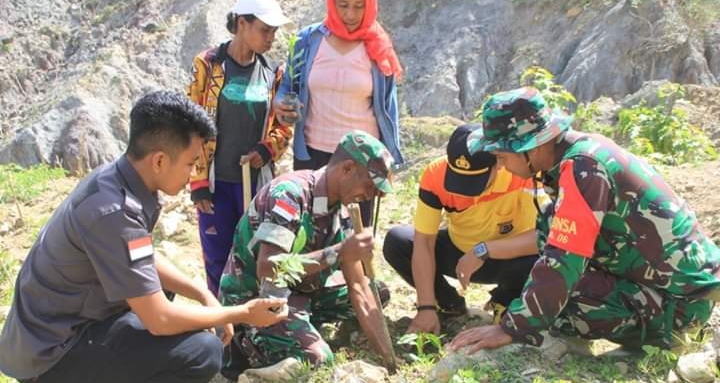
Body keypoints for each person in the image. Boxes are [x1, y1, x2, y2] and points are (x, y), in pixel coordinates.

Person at [0, 91, 288, 383]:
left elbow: (140, 252)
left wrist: (202, 295)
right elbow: (160, 320)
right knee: (201, 351)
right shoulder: (112, 211)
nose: (193, 173)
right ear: (160, 161)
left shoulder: (121, 180)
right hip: (51, 356)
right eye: (190, 163)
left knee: (164, 292)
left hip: (63, 328)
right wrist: (239, 313)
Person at [448, 87, 720, 354]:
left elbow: (564, 261)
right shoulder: (579, 155)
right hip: (671, 291)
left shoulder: (584, 168)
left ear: (531, 148)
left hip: (681, 304)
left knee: (559, 297)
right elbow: (553, 240)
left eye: (502, 156)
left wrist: (511, 329)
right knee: (540, 275)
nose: (503, 165)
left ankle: (675, 337)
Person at [218, 130, 395, 379]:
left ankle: (301, 327)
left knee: (378, 292)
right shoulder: (290, 195)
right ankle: (246, 345)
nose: (369, 196)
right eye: (369, 186)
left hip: (302, 293)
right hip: (259, 298)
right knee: (318, 359)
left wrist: (389, 360)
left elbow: (358, 286)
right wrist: (340, 252)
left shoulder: (342, 209)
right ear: (347, 168)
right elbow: (269, 269)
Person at [273, 0, 403, 227]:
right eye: (343, 5)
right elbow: (288, 85)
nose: (350, 14)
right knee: (312, 228)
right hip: (313, 153)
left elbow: (388, 109)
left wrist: (389, 162)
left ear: (371, 3)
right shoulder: (307, 41)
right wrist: (280, 103)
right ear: (331, 0)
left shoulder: (378, 46)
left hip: (361, 160)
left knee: (355, 233)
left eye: (359, 6)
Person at [383, 124, 544, 335]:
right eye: (459, 181)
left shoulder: (521, 172)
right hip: (458, 253)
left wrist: (484, 250)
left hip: (512, 258)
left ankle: (505, 301)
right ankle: (448, 305)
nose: (467, 193)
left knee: (543, 260)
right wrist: (426, 307)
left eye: (475, 182)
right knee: (398, 242)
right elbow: (424, 241)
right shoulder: (434, 175)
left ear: (498, 163)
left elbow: (545, 236)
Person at [187, 0, 293, 296]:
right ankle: (222, 326)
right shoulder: (208, 66)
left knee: (252, 254)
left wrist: (266, 149)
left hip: (254, 184)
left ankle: (249, 326)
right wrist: (198, 181)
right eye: (264, 30)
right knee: (218, 258)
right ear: (242, 24)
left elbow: (284, 126)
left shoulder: (273, 74)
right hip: (217, 183)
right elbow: (189, 122)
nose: (271, 37)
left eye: (274, 31)